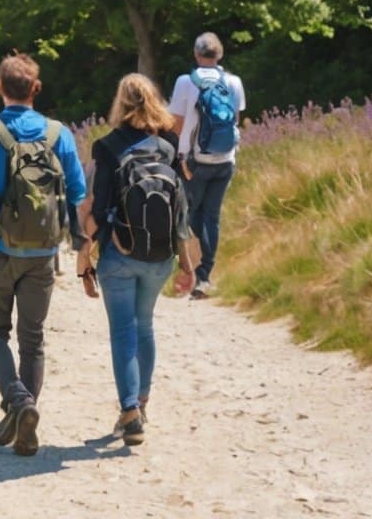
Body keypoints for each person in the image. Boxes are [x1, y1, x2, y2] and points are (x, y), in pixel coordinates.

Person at [0, 53, 87, 458]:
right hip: (44, 251)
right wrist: (83, 247)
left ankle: (18, 400)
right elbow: (79, 195)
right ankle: (26, 413)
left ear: (0, 88)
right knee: (33, 340)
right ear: (35, 89)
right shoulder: (59, 134)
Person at [78, 73, 198, 446]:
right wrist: (188, 265)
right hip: (160, 255)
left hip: (120, 254)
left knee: (123, 331)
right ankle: (142, 404)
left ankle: (129, 409)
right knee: (144, 326)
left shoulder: (107, 146)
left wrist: (84, 256)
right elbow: (180, 209)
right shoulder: (168, 142)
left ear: (120, 103)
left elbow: (97, 208)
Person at [169, 32, 246, 299]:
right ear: (220, 54)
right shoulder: (233, 82)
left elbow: (176, 125)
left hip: (193, 162)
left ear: (196, 54)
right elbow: (234, 119)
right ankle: (205, 276)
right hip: (225, 160)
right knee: (211, 217)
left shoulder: (185, 82)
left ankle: (189, 272)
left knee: (188, 215)